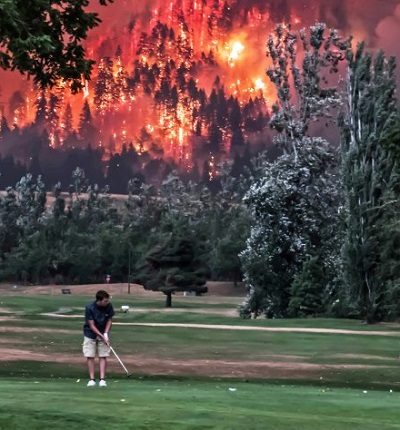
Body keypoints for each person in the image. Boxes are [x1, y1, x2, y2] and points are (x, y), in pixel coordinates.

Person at [83, 290, 115, 387]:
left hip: (103, 331)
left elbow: (109, 320)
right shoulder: (90, 307)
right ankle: (92, 379)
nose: (107, 302)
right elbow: (91, 325)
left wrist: (106, 333)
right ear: (99, 300)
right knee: (90, 355)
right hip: (90, 333)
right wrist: (101, 336)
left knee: (103, 355)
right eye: (105, 301)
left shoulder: (109, 306)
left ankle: (102, 380)